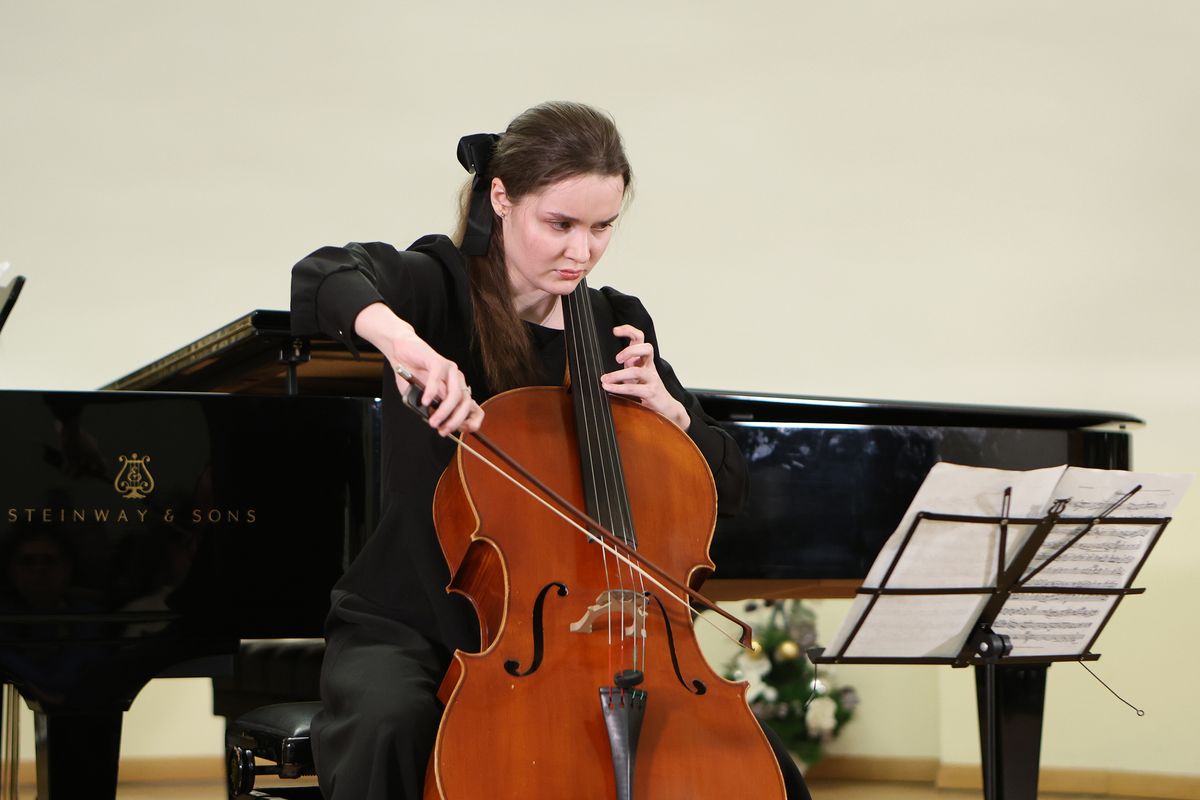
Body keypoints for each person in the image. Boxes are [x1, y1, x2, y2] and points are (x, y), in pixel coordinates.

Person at [291, 100, 811, 800]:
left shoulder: (615, 321)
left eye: (602, 227)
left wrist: (671, 414)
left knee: (766, 767)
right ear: (501, 198)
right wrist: (404, 344)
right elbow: (325, 272)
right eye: (560, 224)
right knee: (390, 726)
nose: (581, 252)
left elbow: (729, 486)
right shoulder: (437, 285)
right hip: (414, 620)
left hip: (598, 637)